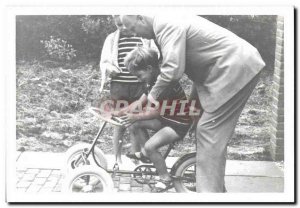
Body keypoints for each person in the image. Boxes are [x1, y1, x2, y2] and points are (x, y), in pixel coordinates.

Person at [120, 15, 266, 192]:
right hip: (220, 72)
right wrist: (193, 108)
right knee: (206, 131)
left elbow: (173, 71)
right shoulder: (165, 26)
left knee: (208, 132)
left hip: (232, 68)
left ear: (140, 18)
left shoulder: (167, 24)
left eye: (134, 29)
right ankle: (214, 187)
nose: (137, 35)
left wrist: (151, 98)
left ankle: (209, 194)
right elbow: (196, 71)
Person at [116, 47, 194, 191]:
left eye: (139, 75)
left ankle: (165, 178)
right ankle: (148, 156)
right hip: (168, 119)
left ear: (149, 68)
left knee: (150, 146)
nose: (138, 79)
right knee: (135, 124)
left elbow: (157, 112)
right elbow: (141, 102)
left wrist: (135, 115)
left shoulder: (164, 85)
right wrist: (122, 111)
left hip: (178, 123)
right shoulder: (153, 81)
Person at [99, 15, 158, 164]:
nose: (123, 28)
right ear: (114, 23)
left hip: (140, 86)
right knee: (119, 123)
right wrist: (109, 68)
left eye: (126, 24)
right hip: (119, 86)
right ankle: (117, 159)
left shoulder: (143, 37)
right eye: (119, 25)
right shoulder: (112, 39)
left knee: (134, 121)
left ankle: (135, 158)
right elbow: (104, 61)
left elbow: (154, 55)